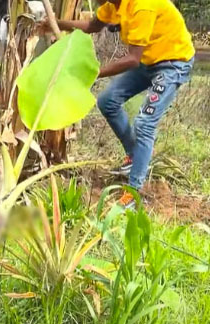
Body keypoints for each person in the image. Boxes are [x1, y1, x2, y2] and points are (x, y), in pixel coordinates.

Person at [44, 0, 194, 209]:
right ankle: (135, 156)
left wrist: (94, 73)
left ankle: (133, 192)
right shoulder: (113, 5)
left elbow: (132, 59)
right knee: (108, 101)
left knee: (144, 123)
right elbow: (92, 26)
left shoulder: (142, 6)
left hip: (171, 64)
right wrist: (55, 23)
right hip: (149, 62)